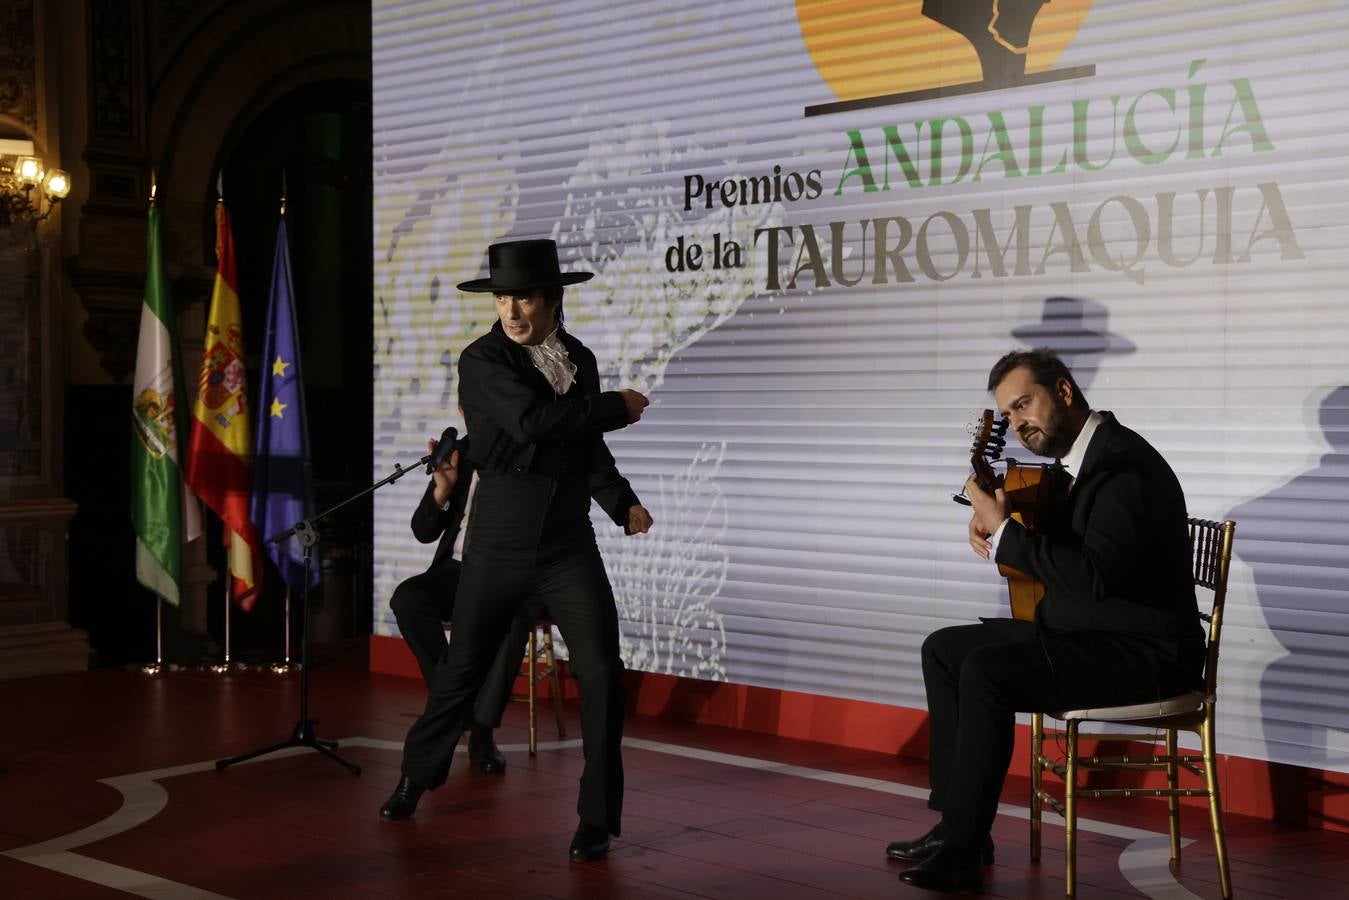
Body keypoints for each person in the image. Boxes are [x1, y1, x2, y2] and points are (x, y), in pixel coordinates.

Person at [886, 348, 1205, 894]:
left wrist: (1007, 532)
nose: (1017, 424)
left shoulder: (1125, 468)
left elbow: (1090, 579)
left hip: (1145, 654)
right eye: (1008, 414)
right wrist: (999, 525)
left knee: (989, 671)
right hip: (1089, 633)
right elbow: (1059, 552)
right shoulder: (1079, 465)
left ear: (1063, 391)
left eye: (1024, 404)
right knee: (943, 649)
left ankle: (963, 850)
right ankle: (957, 825)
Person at [379, 239, 653, 865]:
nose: (511, 309)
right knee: (461, 674)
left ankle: (595, 820)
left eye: (523, 296)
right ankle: (415, 777)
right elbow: (534, 423)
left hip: (565, 546)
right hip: (498, 546)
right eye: (502, 297)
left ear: (554, 300)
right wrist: (617, 408)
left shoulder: (577, 358)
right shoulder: (482, 360)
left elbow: (585, 448)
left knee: (604, 674)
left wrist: (621, 503)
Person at [388, 430, 537, 774]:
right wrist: (442, 490)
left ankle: (481, 732)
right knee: (408, 600)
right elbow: (423, 531)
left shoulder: (530, 446)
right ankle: (454, 701)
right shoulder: (461, 452)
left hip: (510, 573)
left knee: (512, 622)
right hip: (457, 570)